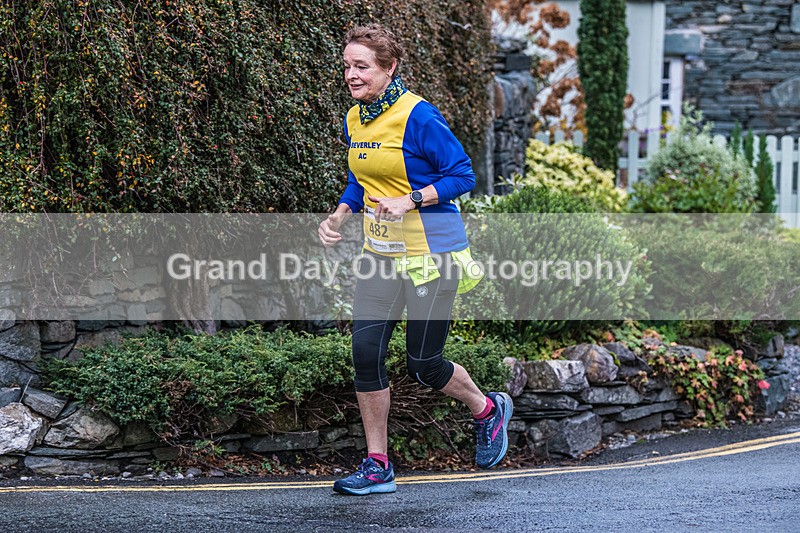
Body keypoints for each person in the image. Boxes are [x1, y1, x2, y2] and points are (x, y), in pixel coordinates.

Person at [318, 23, 513, 496]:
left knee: (424, 364)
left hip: (431, 254)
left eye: (361, 66)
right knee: (365, 356)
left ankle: (487, 409)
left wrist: (412, 199)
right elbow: (360, 179)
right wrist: (341, 213)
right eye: (347, 65)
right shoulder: (354, 119)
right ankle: (378, 464)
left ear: (390, 68)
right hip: (379, 254)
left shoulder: (419, 116)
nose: (351, 74)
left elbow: (462, 175)